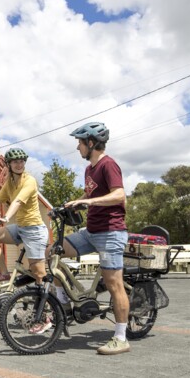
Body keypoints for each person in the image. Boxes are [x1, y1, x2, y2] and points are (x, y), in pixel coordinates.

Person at [61, 121, 131, 355]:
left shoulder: (108, 164)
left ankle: (121, 338)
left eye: (80, 143)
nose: (78, 147)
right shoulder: (89, 169)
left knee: (114, 285)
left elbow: (119, 195)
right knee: (54, 252)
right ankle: (64, 306)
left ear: (91, 143)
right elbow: (91, 192)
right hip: (91, 232)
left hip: (111, 232)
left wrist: (89, 201)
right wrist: (76, 202)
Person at [0, 148, 50, 332]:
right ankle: (4, 273)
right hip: (20, 228)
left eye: (21, 161)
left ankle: (45, 316)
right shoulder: (9, 183)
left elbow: (17, 202)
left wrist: (6, 217)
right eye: (15, 162)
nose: (19, 164)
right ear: (9, 164)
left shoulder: (29, 180)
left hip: (34, 230)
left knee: (39, 274)